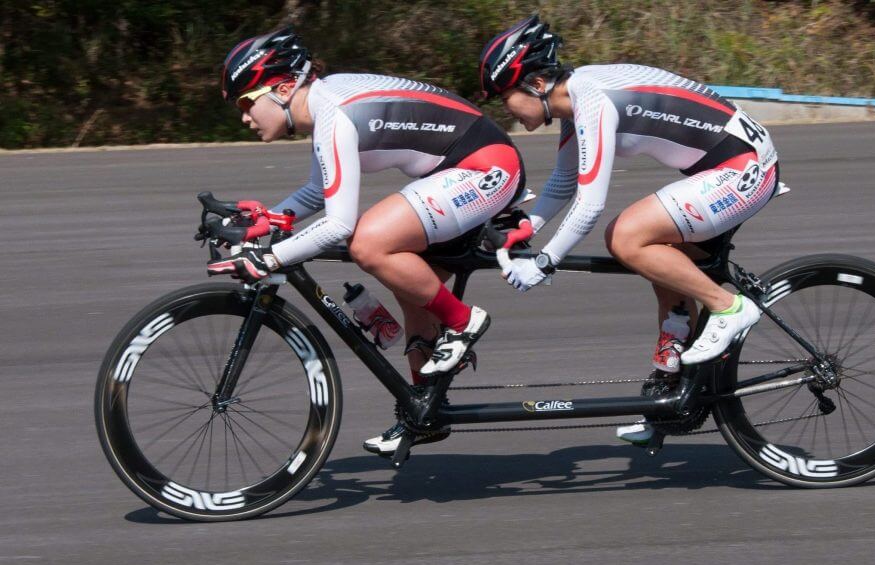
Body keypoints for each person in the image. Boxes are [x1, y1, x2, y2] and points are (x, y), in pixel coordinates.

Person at [213, 28, 525, 454]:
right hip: (456, 173)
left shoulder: (334, 114)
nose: (245, 118)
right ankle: (423, 411)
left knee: (369, 243)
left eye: (247, 103)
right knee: (410, 285)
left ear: (284, 89)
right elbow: (319, 191)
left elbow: (340, 225)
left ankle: (463, 322)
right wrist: (263, 221)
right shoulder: (326, 108)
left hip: (486, 169)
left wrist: (268, 258)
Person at [479, 16, 780, 445]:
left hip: (744, 169)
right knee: (661, 263)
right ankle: (673, 395)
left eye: (503, 98)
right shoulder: (575, 102)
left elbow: (590, 203)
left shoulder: (592, 100)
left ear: (538, 84)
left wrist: (546, 262)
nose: (503, 110)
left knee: (626, 236)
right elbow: (564, 183)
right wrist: (524, 228)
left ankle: (727, 308)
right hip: (724, 167)